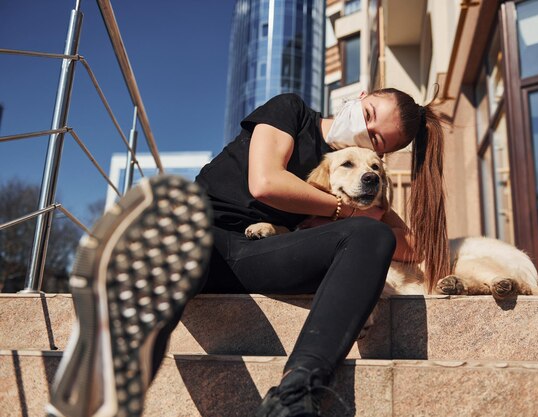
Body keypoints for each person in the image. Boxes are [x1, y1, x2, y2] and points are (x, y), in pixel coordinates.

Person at [46, 88, 450, 417]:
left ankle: (294, 396)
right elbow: (265, 182)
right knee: (174, 209)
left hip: (265, 255)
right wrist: (341, 209)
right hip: (204, 238)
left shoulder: (366, 181)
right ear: (359, 96)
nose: (365, 128)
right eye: (369, 111)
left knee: (370, 237)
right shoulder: (291, 111)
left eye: (377, 139)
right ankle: (112, 366)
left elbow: (411, 246)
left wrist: (364, 216)